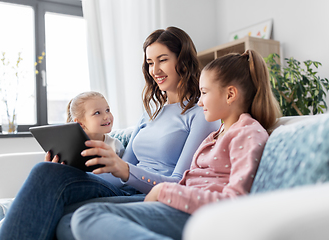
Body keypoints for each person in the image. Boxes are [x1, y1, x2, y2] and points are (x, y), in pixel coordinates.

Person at [0, 26, 220, 240]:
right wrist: (74, 170)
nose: (155, 70)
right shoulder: (150, 114)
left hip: (151, 195)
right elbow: (121, 176)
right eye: (150, 63)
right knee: (48, 170)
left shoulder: (200, 114)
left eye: (163, 60)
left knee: (66, 223)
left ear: (183, 60)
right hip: (123, 190)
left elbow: (178, 183)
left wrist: (123, 168)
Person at [65, 49, 282, 240]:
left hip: (195, 213)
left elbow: (235, 202)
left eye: (204, 93)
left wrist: (165, 191)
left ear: (230, 94)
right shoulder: (218, 134)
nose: (199, 101)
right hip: (177, 203)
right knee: (70, 220)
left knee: (87, 216)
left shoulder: (247, 133)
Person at [0, 91, 123, 240]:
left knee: (14, 210)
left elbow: (117, 178)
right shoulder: (70, 144)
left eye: (108, 110)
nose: (106, 116)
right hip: (62, 189)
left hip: (85, 192)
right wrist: (54, 168)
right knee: (1, 209)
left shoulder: (114, 146)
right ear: (80, 123)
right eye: (97, 113)